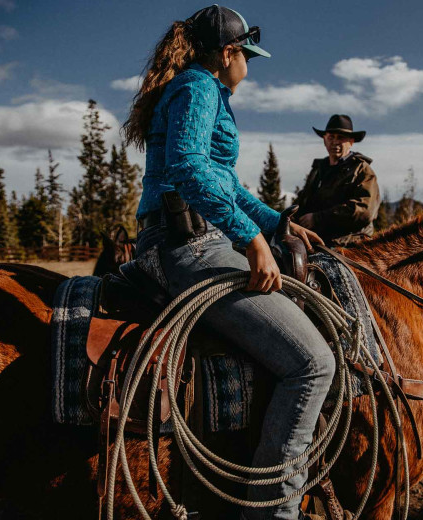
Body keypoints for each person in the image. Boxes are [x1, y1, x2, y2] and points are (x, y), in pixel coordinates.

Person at [122, 5, 334, 520]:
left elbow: (226, 182)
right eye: (248, 58)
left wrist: (278, 225)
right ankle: (271, 513)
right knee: (313, 364)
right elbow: (189, 167)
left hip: (183, 238)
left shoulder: (198, 88)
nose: (249, 69)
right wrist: (251, 237)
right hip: (189, 244)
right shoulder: (198, 86)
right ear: (228, 52)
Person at [294, 114, 381, 245]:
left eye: (341, 137)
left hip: (351, 243)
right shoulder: (318, 170)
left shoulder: (362, 170)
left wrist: (317, 219)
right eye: (331, 137)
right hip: (318, 241)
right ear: (324, 139)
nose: (335, 142)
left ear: (351, 142)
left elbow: (365, 211)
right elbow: (303, 202)